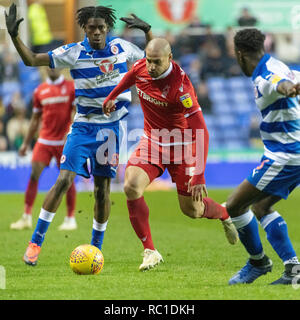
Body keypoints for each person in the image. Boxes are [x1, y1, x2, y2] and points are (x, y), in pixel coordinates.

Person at [5, 3, 153, 266]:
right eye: (92, 28)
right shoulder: (73, 52)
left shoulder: (122, 48)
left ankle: (96, 250)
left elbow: (154, 61)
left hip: (111, 130)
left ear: (107, 28)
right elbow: (31, 60)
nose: (97, 32)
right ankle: (35, 243)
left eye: (101, 28)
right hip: (83, 126)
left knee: (101, 189)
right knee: (63, 180)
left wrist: (148, 32)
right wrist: (14, 35)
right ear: (84, 28)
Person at [103, 38, 238, 271]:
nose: (151, 66)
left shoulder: (181, 88)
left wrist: (199, 174)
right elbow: (130, 77)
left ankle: (224, 213)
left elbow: (201, 131)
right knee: (131, 186)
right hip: (151, 142)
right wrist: (113, 95)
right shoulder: (141, 68)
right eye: (148, 60)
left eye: (156, 62)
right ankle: (150, 251)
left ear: (170, 59)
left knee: (192, 211)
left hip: (181, 147)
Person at [225, 28, 300, 285]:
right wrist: (290, 85)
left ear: (240, 53)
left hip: (285, 156)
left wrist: (289, 88)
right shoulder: (276, 64)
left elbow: (280, 84)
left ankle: (258, 262)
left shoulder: (265, 75)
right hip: (291, 154)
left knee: (234, 205)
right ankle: (293, 271)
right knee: (261, 206)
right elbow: (287, 78)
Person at [10, 67, 77, 231]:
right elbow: (34, 119)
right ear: (44, 69)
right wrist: (26, 143)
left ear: (61, 67)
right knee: (33, 175)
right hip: (45, 139)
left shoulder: (71, 87)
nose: (52, 68)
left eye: (55, 65)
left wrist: (72, 132)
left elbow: (75, 112)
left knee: (66, 179)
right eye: (49, 65)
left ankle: (70, 218)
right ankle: (26, 217)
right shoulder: (39, 90)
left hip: (64, 140)